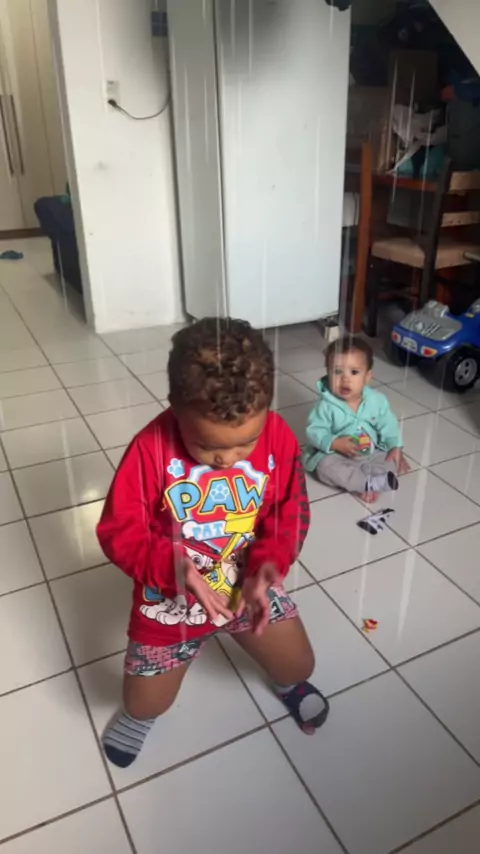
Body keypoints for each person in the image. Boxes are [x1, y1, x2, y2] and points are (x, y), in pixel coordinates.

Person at [97, 317, 329, 769]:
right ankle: (142, 713)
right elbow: (118, 531)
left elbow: (289, 512)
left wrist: (268, 566)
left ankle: (285, 681)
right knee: (143, 705)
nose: (226, 459)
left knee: (299, 667)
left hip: (246, 585)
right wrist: (174, 569)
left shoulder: (279, 436)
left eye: (246, 443)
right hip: (171, 596)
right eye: (206, 446)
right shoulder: (150, 448)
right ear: (175, 408)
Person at [304, 336, 409, 503]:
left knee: (391, 460)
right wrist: (334, 443)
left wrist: (395, 446)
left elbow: (388, 424)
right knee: (324, 467)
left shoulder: (377, 400)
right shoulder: (325, 406)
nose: (345, 379)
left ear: (367, 376)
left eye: (354, 372)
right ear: (328, 373)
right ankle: (366, 483)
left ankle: (372, 480)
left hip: (372, 452)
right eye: (337, 371)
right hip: (338, 455)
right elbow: (314, 431)